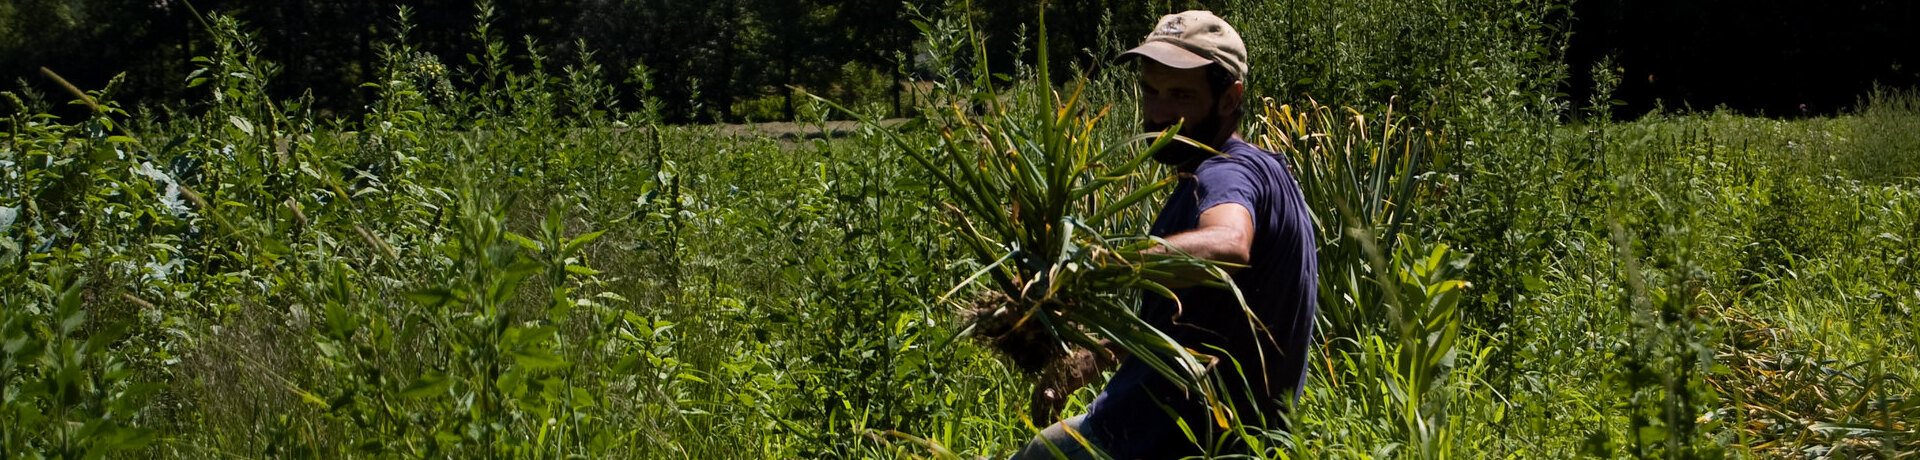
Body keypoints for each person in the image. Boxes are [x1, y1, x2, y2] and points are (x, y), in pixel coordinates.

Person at [1011, 10, 1319, 460]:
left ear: (1229, 99)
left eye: (1180, 95)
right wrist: (1095, 356)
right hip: (1148, 423)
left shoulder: (1226, 174)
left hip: (1169, 442)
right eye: (1150, 91)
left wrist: (1106, 263)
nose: (1156, 112)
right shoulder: (1254, 171)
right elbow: (1191, 319)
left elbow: (1228, 244)